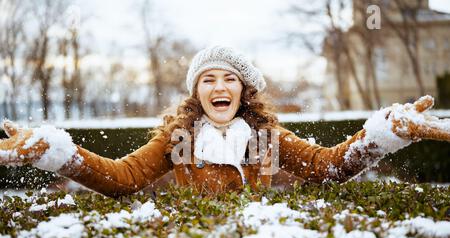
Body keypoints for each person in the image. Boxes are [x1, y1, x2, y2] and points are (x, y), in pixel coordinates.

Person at [0, 46, 449, 198]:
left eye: (229, 78)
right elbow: (124, 177)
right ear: (197, 91)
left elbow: (326, 167)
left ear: (242, 91)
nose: (219, 86)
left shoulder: (266, 137)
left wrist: (386, 133)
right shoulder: (179, 138)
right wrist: (56, 153)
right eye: (208, 79)